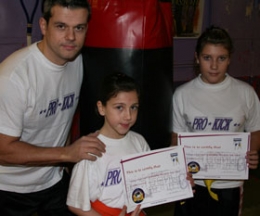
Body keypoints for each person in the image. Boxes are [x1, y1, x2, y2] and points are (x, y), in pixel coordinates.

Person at [0, 0, 105, 215]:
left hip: (53, 181)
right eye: (61, 26)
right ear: (43, 25)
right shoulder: (13, 77)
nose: (71, 37)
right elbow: (3, 150)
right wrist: (67, 154)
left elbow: (59, 119)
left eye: (79, 28)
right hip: (9, 190)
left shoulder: (76, 62)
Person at [171, 25, 260, 216]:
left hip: (230, 183)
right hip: (192, 182)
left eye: (221, 58)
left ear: (230, 59)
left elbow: (254, 129)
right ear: (196, 57)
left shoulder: (246, 93)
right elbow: (175, 137)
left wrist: (252, 152)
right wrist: (177, 169)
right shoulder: (182, 94)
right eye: (207, 58)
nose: (213, 66)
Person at [67, 72, 150, 216]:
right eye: (119, 107)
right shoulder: (90, 149)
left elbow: (153, 181)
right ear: (101, 108)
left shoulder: (139, 142)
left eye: (134, 107)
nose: (128, 116)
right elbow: (76, 205)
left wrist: (180, 183)